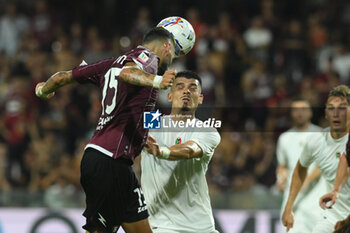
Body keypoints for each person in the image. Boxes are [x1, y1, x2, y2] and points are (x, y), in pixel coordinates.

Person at [35, 27, 177, 233]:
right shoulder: (149, 59)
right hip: (110, 161)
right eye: (173, 52)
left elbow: (60, 78)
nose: (171, 58)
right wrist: (158, 81)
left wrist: (42, 90)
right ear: (166, 46)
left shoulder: (108, 63)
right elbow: (128, 73)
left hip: (113, 161)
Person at [140, 71, 221, 233]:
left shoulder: (207, 130)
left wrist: (162, 152)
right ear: (169, 96)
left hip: (201, 226)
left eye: (192, 88)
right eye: (180, 87)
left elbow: (190, 150)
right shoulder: (153, 122)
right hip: (162, 225)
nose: (186, 91)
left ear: (200, 98)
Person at [282, 85, 350, 233]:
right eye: (331, 108)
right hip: (332, 216)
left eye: (342, 108)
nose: (336, 113)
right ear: (326, 113)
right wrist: (289, 208)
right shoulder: (316, 141)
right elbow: (300, 169)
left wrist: (347, 222)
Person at [276, 98, 326, 232]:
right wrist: (280, 178)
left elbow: (323, 165)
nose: (300, 113)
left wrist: (306, 180)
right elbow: (282, 165)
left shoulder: (321, 135)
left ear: (310, 112)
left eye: (303, 109)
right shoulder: (284, 138)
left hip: (316, 197)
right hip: (292, 196)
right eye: (296, 110)